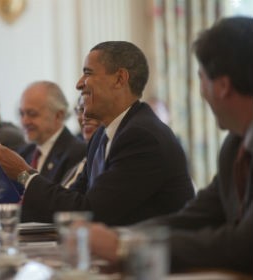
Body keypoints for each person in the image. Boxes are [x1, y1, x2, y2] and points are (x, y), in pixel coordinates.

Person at [86, 16, 253, 274]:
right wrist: (124, 238)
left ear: (222, 86)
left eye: (201, 79)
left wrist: (128, 248)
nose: (200, 91)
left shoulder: (145, 134)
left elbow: (244, 245)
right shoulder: (234, 145)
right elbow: (195, 217)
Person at [0, 41, 195, 225]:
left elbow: (90, 212)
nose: (79, 83)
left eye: (88, 73)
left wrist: (24, 174)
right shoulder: (102, 136)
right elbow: (70, 203)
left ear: (119, 79)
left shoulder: (142, 137)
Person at [17, 81, 86, 184]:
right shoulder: (24, 153)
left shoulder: (76, 153)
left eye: (32, 114)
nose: (24, 121)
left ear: (58, 115)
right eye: (22, 114)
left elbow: (56, 197)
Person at [61, 96, 101, 189]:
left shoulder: (107, 156)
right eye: (81, 109)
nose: (85, 116)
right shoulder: (83, 159)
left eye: (93, 108)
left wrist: (26, 176)